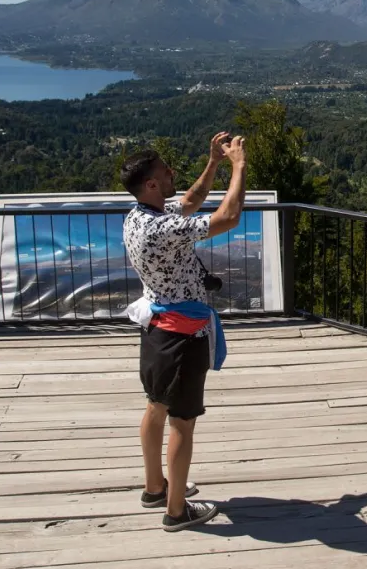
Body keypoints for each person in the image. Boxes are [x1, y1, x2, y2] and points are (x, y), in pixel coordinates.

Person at [120, 132, 247, 532]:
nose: (172, 173)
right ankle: (176, 511)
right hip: (182, 335)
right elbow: (227, 218)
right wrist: (239, 167)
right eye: (165, 172)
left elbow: (190, 201)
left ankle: (155, 487)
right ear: (152, 184)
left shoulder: (140, 215)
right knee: (182, 421)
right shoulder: (161, 230)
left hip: (157, 330)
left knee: (155, 406)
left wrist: (213, 162)